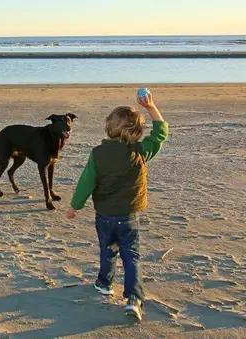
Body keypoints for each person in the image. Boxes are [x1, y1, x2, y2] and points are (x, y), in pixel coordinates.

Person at [65, 92, 169, 321]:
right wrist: (151, 107)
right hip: (129, 216)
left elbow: (86, 183)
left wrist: (74, 206)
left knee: (107, 250)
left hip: (104, 216)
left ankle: (104, 283)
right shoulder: (140, 152)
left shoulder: (98, 154)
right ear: (137, 132)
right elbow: (161, 133)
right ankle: (133, 298)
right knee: (131, 255)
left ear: (110, 127)